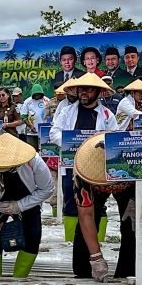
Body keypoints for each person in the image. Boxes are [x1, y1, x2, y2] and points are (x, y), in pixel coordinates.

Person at [0, 132, 53, 277]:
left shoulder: (34, 162)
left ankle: (19, 279)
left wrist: (20, 205)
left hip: (28, 201)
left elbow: (47, 189)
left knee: (32, 236)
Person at [50, 73, 117, 242]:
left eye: (88, 89)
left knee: (98, 203)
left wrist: (98, 145)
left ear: (98, 92)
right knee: (71, 202)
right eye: (81, 89)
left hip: (97, 167)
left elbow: (115, 137)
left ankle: (98, 242)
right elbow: (54, 132)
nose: (84, 93)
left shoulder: (107, 115)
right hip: (72, 164)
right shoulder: (67, 111)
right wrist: (69, 142)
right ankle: (71, 242)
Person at [71, 133, 139, 281]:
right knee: (90, 221)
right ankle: (85, 269)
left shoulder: (138, 160)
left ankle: (128, 271)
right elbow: (86, 215)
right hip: (94, 190)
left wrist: (138, 199)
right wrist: (96, 258)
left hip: (129, 186)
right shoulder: (82, 173)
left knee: (133, 223)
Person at [20, 84, 47, 149]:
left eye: (39, 94)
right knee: (32, 151)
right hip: (31, 132)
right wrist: (30, 126)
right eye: (35, 94)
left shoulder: (46, 101)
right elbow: (23, 116)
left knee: (44, 152)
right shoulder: (27, 101)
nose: (37, 95)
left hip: (44, 132)